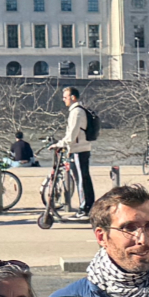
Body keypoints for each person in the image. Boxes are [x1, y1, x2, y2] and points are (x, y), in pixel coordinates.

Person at [54, 86, 95, 218]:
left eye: (65, 97)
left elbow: (72, 135)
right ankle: (88, 206)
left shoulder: (76, 112)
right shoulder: (77, 110)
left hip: (78, 150)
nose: (63, 100)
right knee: (83, 179)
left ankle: (85, 209)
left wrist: (60, 144)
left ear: (73, 97)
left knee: (81, 180)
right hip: (80, 148)